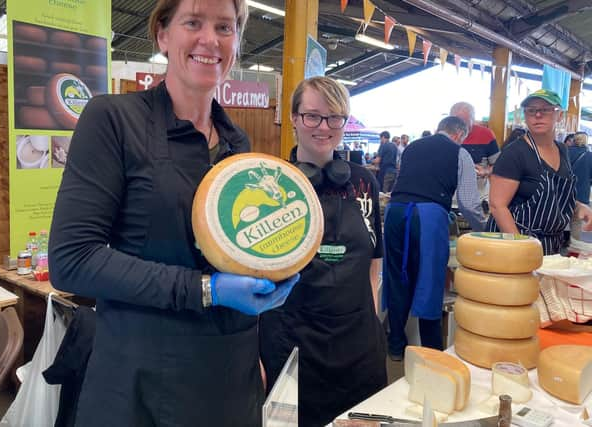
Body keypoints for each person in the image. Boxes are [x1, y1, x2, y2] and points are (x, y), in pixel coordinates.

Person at [48, 1, 299, 426]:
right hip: (140, 384)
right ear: (163, 34)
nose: (210, 39)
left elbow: (239, 257)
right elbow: (72, 260)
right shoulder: (114, 120)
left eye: (224, 26)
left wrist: (273, 273)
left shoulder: (240, 150)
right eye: (193, 22)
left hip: (230, 381)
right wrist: (206, 289)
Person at [259, 76, 387, 427]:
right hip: (292, 342)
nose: (323, 126)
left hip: (356, 342)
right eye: (313, 116)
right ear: (295, 118)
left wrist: (370, 322)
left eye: (334, 117)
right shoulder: (270, 183)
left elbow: (374, 265)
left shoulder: (364, 182)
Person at [382, 116, 485, 360]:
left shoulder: (411, 147)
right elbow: (468, 203)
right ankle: (431, 350)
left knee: (397, 277)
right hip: (427, 216)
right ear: (460, 134)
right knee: (429, 281)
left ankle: (395, 344)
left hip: (395, 212)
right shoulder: (460, 154)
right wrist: (484, 228)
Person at [488, 89, 592, 255]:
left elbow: (558, 195)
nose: (537, 115)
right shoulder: (515, 153)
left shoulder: (562, 150)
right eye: (531, 110)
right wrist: (520, 248)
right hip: (514, 244)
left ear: (560, 115)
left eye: (545, 110)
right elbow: (497, 205)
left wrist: (578, 206)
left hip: (550, 246)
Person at [450, 102, 500, 208]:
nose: (460, 127)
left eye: (464, 122)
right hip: (450, 199)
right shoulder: (444, 135)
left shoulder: (486, 134)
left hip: (479, 198)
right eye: (456, 122)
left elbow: (500, 165)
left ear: (473, 119)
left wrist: (487, 171)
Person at [569, 132, 592, 205]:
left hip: (564, 193)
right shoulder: (590, 156)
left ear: (574, 140)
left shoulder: (565, 151)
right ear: (586, 141)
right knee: (579, 215)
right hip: (582, 195)